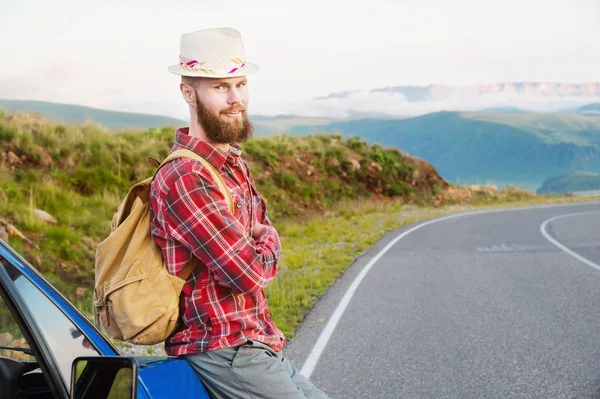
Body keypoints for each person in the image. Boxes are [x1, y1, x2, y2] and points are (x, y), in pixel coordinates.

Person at [149, 27, 329, 398]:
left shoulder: (230, 164)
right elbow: (247, 273)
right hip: (222, 347)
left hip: (253, 342)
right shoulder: (186, 177)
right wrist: (272, 239)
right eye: (219, 87)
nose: (236, 99)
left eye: (241, 84)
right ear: (188, 91)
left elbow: (254, 243)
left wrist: (260, 242)